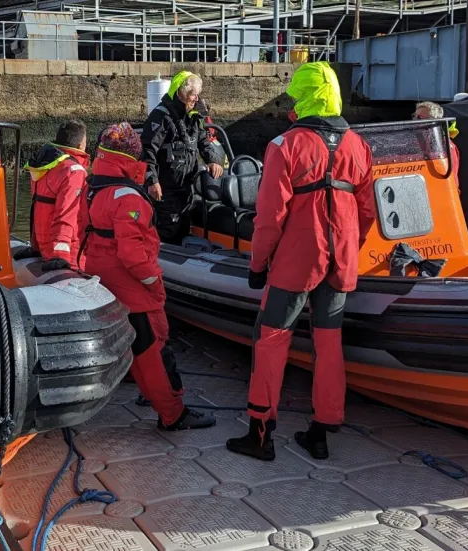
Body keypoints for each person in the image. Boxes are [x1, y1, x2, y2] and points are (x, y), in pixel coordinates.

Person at [226, 62, 377, 462]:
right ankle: (322, 431)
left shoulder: (284, 146)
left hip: (296, 262)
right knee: (329, 344)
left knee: (271, 340)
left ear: (303, 97)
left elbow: (269, 216)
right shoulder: (359, 146)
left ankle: (260, 434)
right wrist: (349, 248)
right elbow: (366, 213)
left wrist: (258, 265)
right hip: (341, 261)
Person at [81, 122, 215, 431]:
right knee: (154, 350)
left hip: (102, 279)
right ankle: (173, 413)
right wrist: (154, 281)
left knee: (138, 348)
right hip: (132, 285)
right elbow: (132, 255)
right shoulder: (129, 197)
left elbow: (83, 232)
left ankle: (155, 398)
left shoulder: (92, 188)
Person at [140, 71, 225, 245]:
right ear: (182, 93)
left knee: (183, 227)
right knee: (167, 229)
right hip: (165, 188)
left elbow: (203, 140)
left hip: (186, 186)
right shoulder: (161, 116)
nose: (196, 98)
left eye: (197, 95)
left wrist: (213, 160)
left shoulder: (194, 115)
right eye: (193, 95)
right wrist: (152, 181)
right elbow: (147, 150)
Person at [14, 120, 90, 270]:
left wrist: (35, 245)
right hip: (69, 253)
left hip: (44, 246)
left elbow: (38, 210)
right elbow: (67, 214)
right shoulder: (74, 171)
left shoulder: (42, 165)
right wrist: (60, 255)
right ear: (81, 144)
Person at [412, 100, 461, 192]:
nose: (414, 120)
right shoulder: (413, 142)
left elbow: (452, 178)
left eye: (420, 117)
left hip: (441, 192)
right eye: (414, 116)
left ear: (432, 121)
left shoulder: (446, 146)